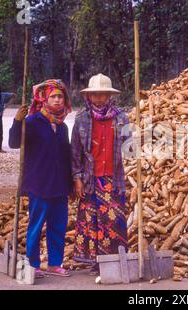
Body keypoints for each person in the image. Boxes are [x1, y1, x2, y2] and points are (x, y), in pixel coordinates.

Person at [9, 79, 73, 278]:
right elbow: (12, 143)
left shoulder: (62, 126)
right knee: (35, 226)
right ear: (44, 98)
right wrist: (17, 121)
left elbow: (66, 156)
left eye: (60, 96)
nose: (57, 100)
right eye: (53, 96)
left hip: (60, 185)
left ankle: (55, 264)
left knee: (58, 226)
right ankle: (33, 265)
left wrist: (70, 185)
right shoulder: (32, 122)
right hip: (39, 184)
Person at [71, 73, 131, 275]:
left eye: (102, 94)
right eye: (95, 94)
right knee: (91, 221)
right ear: (88, 96)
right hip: (90, 178)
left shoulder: (122, 118)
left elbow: (131, 149)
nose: (98, 98)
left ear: (109, 96)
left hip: (113, 178)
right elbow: (75, 153)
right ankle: (96, 261)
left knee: (113, 220)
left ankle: (112, 260)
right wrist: (77, 178)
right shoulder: (81, 119)